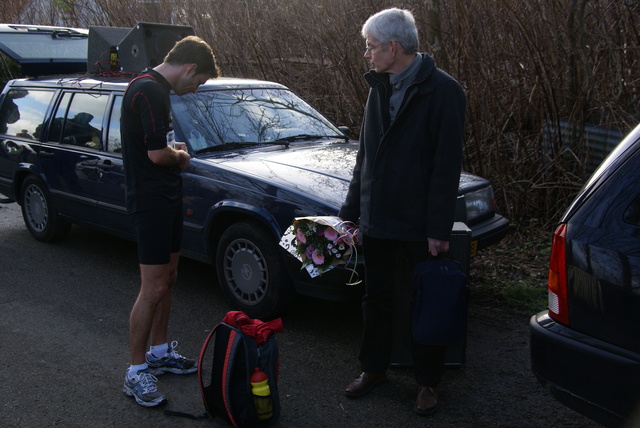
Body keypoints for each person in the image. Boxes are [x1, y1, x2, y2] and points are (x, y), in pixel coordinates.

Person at [339, 8, 466, 416]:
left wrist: (437, 227)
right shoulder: (378, 86)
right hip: (377, 219)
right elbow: (365, 158)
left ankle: (427, 383)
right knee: (375, 298)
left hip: (418, 223)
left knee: (425, 300)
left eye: (371, 46)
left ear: (394, 47)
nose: (367, 54)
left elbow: (446, 166)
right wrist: (350, 213)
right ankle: (373, 369)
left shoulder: (445, 91)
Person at [120, 35, 220, 407]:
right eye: (199, 82)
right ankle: (135, 371)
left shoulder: (155, 89)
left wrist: (172, 154)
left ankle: (160, 352)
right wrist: (179, 157)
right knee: (153, 288)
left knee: (169, 279)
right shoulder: (150, 90)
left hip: (166, 199)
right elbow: (157, 154)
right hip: (151, 203)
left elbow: (158, 146)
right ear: (190, 67)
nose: (195, 90)